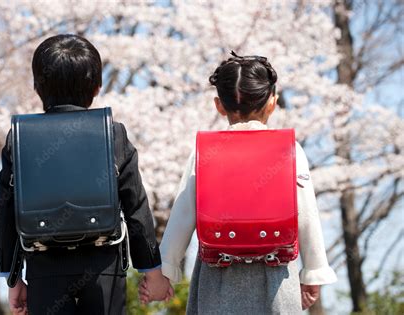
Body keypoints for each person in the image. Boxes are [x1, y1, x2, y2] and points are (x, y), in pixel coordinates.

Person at [139, 52, 337, 314]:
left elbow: (183, 213)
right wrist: (312, 272)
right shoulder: (290, 150)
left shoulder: (204, 152)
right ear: (272, 103)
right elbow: (307, 213)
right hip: (276, 273)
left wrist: (165, 272)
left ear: (219, 105)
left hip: (218, 273)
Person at [0, 34, 173, 315]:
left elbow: (5, 209)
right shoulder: (112, 134)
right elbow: (136, 204)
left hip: (44, 266)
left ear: (36, 86)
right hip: (103, 266)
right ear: (97, 86)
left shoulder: (18, 139)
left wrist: (12, 277)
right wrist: (152, 270)